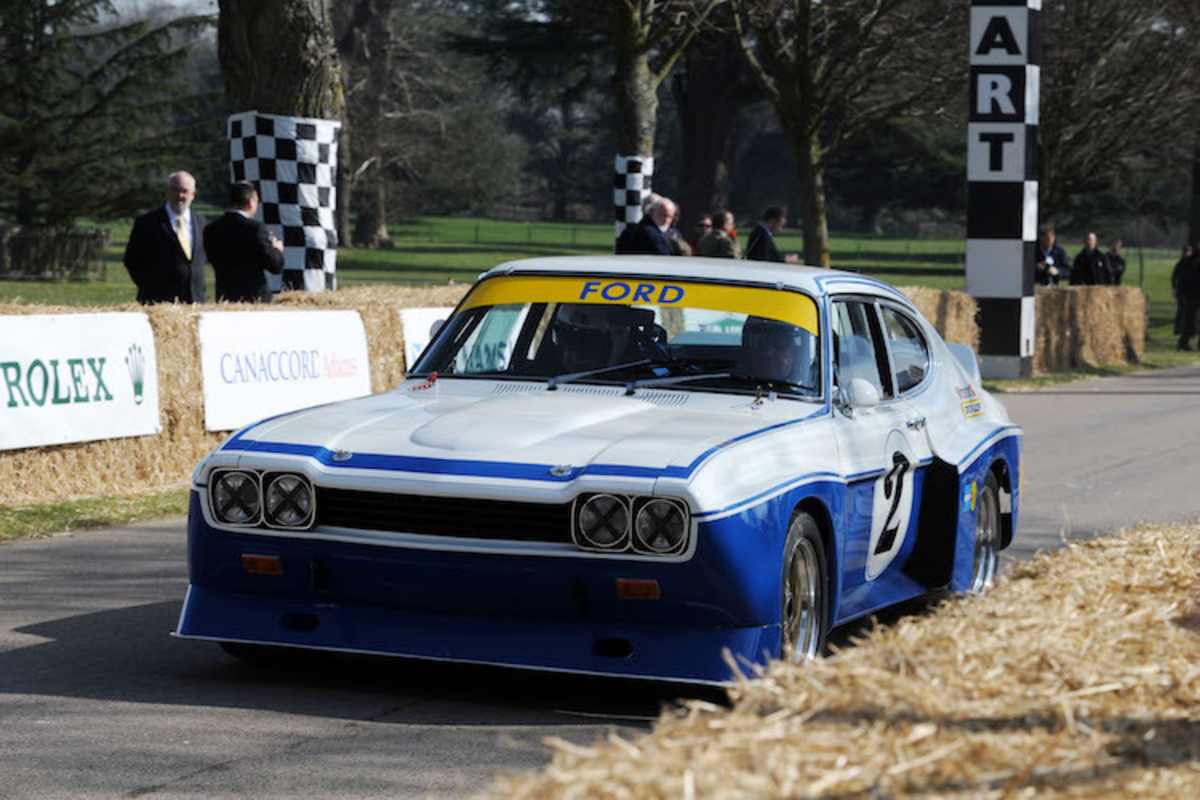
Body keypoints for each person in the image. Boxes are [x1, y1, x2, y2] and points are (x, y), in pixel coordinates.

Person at [123, 171, 208, 304]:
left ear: (193, 194)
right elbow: (131, 260)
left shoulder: (202, 223)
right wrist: (150, 288)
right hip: (159, 304)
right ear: (167, 192)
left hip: (196, 303)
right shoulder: (147, 223)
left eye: (185, 191)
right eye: (175, 190)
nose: (180, 195)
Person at [202, 180, 285, 303]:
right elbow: (275, 266)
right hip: (255, 299)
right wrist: (277, 249)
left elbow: (211, 259)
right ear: (251, 202)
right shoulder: (256, 229)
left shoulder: (210, 229)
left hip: (225, 298)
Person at [1172, 243, 1200, 350]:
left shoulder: (1190, 261)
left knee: (1192, 320)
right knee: (1190, 320)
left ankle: (1185, 343)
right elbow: (1184, 278)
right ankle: (1183, 343)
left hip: (1191, 293)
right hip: (1191, 294)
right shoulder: (1190, 261)